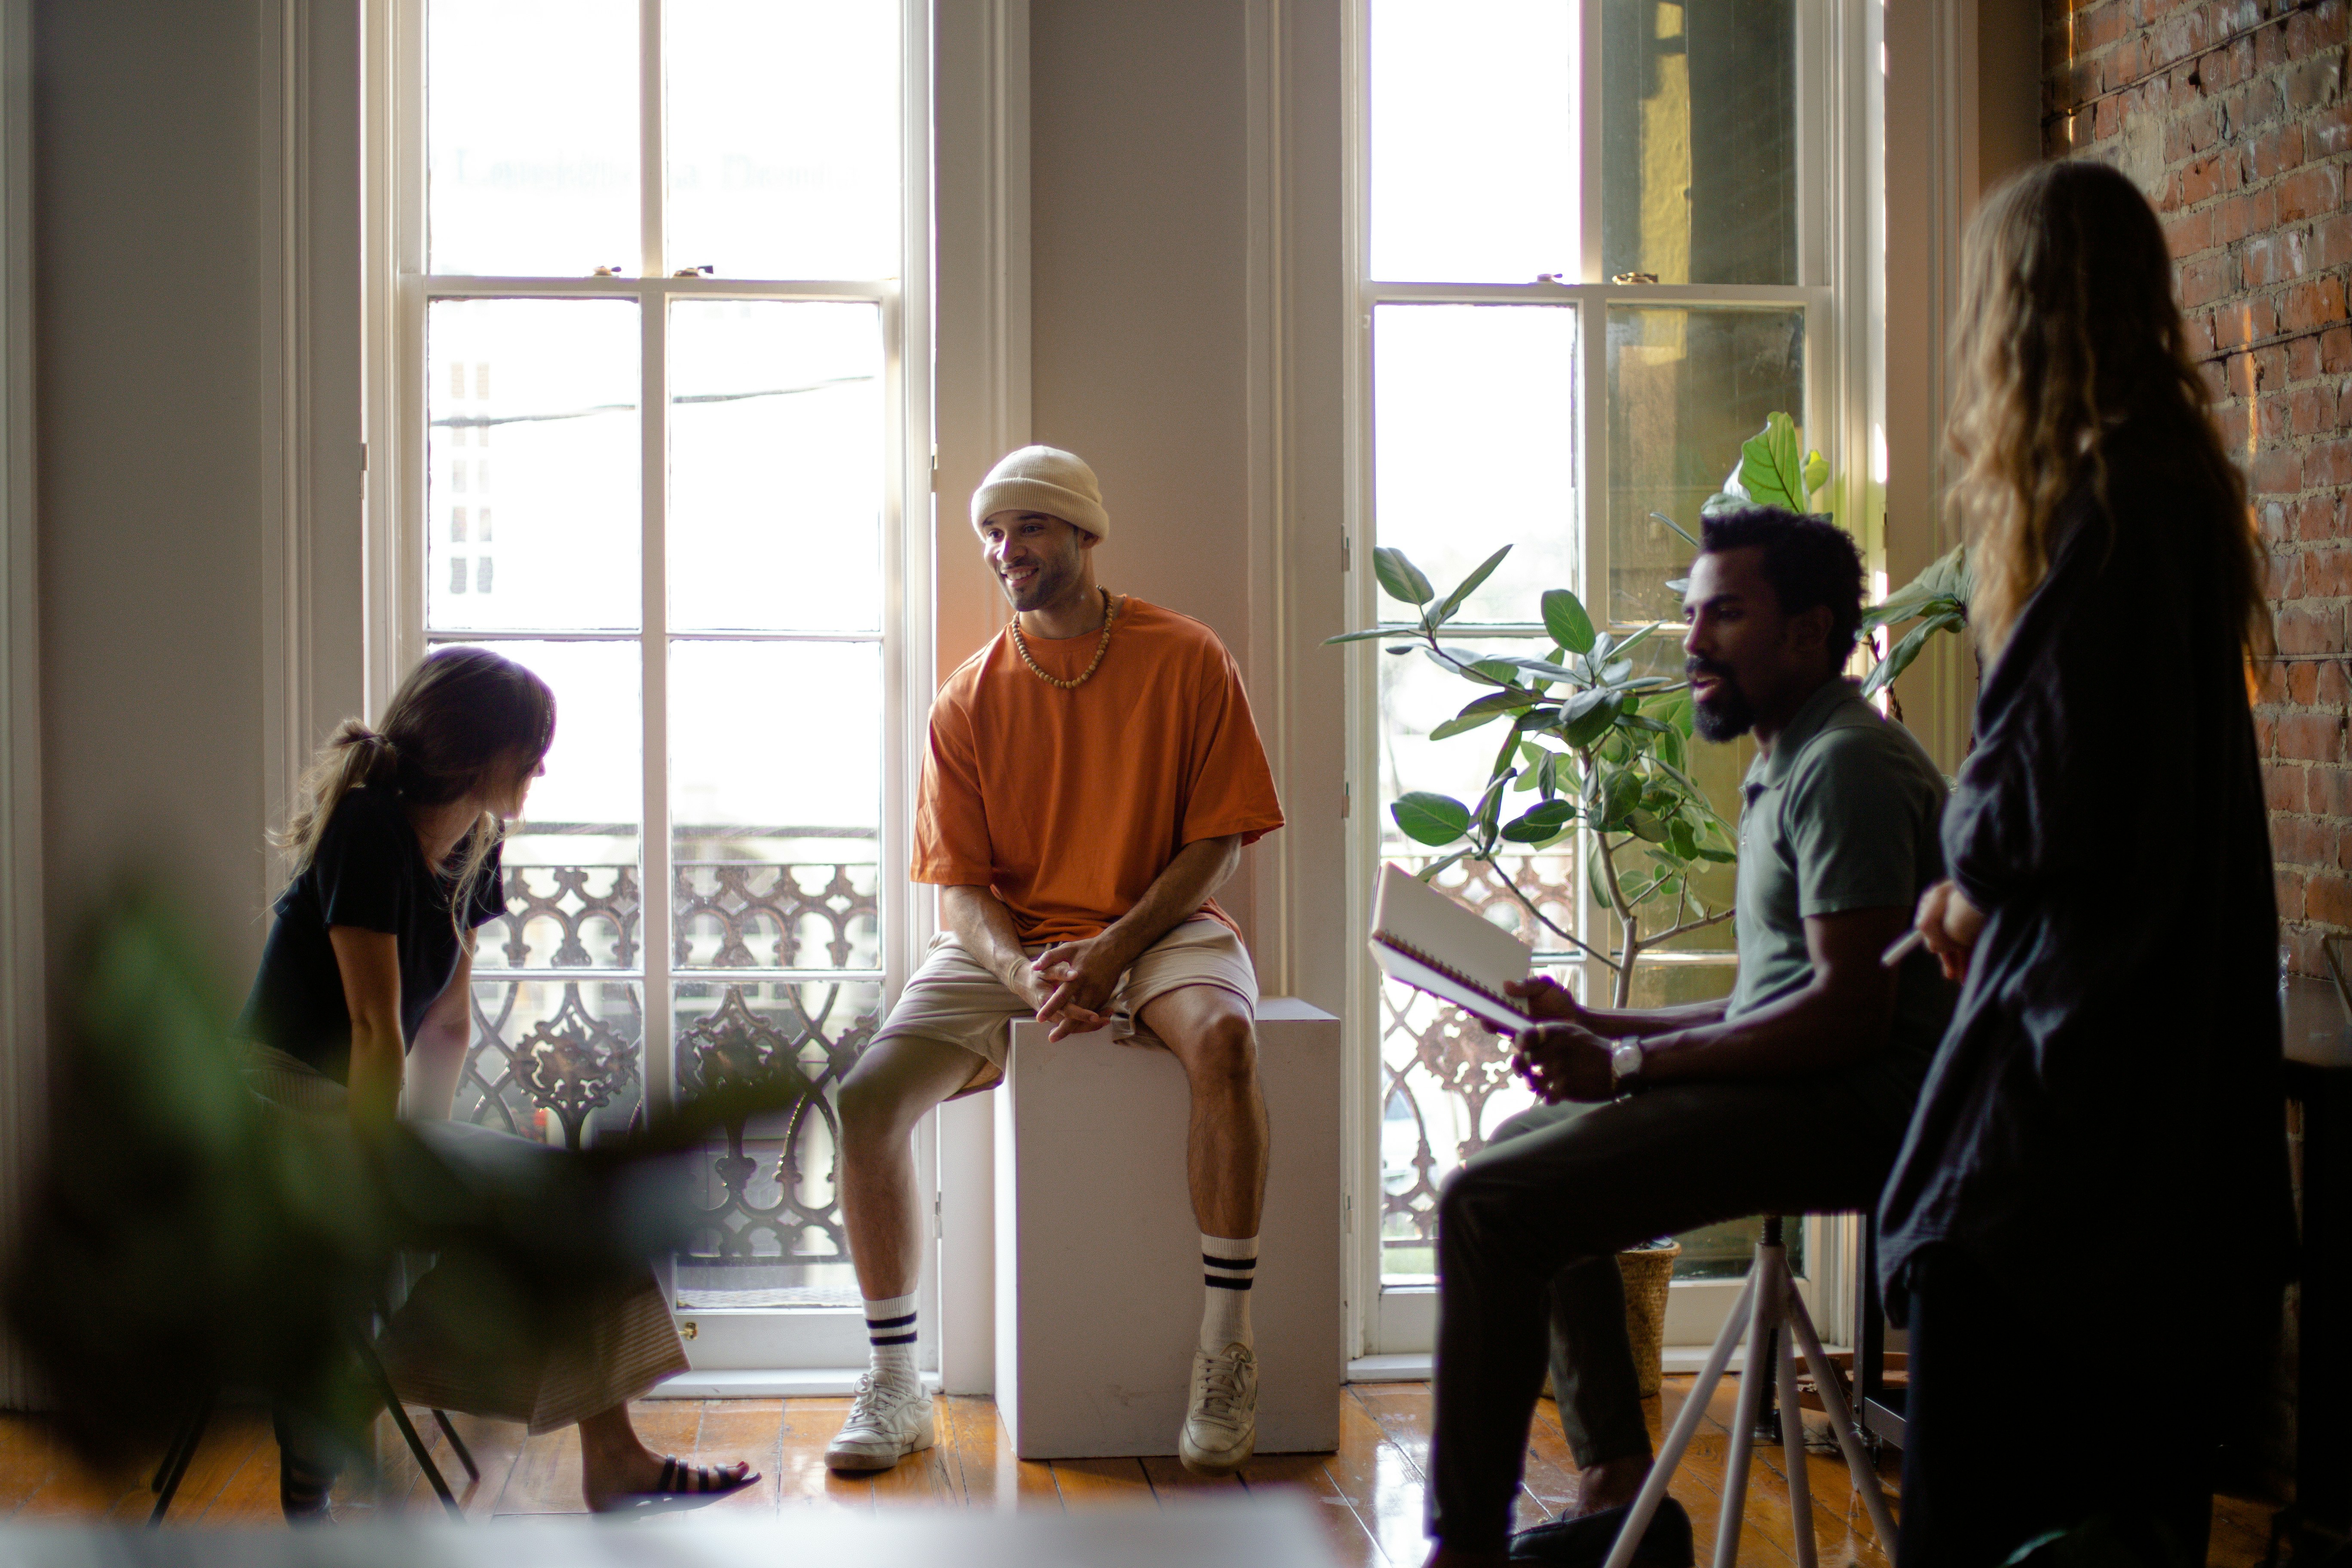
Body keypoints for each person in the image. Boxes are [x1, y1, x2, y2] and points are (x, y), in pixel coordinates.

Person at [1880, 159, 2293, 1566]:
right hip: (2174, 1088)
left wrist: (1959, 883)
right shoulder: (2178, 494)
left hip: (2079, 1080)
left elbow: (2030, 791)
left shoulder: (2105, 507)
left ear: (2019, 315)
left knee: (1970, 1446)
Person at [1422, 508, 1955, 1568]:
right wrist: (1596, 1024)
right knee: (1506, 1161)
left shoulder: (1845, 766)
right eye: (1690, 615)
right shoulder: (1787, 758)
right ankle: (1618, 1499)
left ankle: (1466, 1550)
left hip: (1871, 1111)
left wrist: (1627, 1064)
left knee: (1490, 1207)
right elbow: (1770, 996)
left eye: (1726, 614)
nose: (1694, 641)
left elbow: (1850, 1015)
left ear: (1808, 633)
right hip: (1812, 1084)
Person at [824, 445, 1286, 1477]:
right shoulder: (968, 697)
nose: (1005, 549)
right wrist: (1029, 972)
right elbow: (959, 887)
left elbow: (1220, 838)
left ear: (1085, 532)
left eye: (1028, 527)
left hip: (1163, 926)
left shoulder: (1187, 656)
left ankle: (1227, 1350)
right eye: (994, 532)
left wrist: (1116, 948)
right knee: (865, 1102)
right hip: (1010, 946)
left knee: (1229, 1042)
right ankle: (896, 1383)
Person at [236, 646, 758, 1519]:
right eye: (532, 747)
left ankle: (609, 1456)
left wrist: (423, 1157)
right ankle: (334, 1429)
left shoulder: (476, 841)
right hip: (283, 1101)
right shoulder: (367, 827)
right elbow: (372, 1026)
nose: (542, 766)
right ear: (475, 751)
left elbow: (444, 1024)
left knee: (580, 1200)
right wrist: (388, 1177)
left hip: (355, 1096)